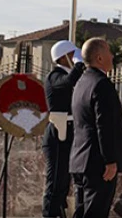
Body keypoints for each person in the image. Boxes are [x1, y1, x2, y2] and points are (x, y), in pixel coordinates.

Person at [69, 37, 122, 217]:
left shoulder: (81, 83)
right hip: (98, 164)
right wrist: (110, 160)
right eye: (109, 52)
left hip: (80, 160)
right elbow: (105, 125)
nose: (112, 56)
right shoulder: (101, 84)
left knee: (82, 212)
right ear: (99, 58)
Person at [42, 40, 86, 218]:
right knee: (56, 181)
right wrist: (78, 65)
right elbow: (67, 82)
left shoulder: (73, 76)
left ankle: (60, 212)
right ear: (64, 57)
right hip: (58, 132)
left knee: (66, 180)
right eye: (73, 55)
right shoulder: (55, 76)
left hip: (71, 130)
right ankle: (50, 214)